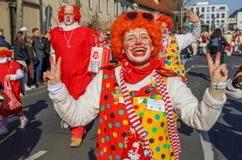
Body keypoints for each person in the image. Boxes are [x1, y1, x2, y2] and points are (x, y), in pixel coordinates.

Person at [44, 11, 228, 160]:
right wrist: (57, 88)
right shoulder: (105, 77)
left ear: (153, 42)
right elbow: (77, 117)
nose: (138, 42)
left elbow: (200, 121)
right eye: (130, 38)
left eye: (144, 36)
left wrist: (216, 90)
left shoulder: (169, 80)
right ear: (121, 46)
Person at [48, 4, 101, 147]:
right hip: (62, 75)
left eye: (71, 13)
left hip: (80, 74)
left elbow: (97, 50)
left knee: (77, 99)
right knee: (61, 100)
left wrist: (100, 41)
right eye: (65, 13)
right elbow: (52, 53)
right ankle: (70, 119)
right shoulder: (54, 32)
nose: (68, 16)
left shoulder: (86, 32)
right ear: (61, 15)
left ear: (76, 15)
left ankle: (77, 132)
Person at [0, 47, 28, 136]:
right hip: (7, 91)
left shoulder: (13, 63)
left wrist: (11, 76)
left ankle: (4, 127)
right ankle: (23, 118)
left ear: (3, 55)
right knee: (14, 106)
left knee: (5, 109)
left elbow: (20, 74)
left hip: (14, 90)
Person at [156, 10, 201, 80]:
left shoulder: (177, 39)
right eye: (161, 27)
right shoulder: (152, 41)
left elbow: (194, 36)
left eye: (166, 27)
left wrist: (197, 23)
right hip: (158, 79)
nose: (164, 29)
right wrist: (149, 23)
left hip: (175, 78)